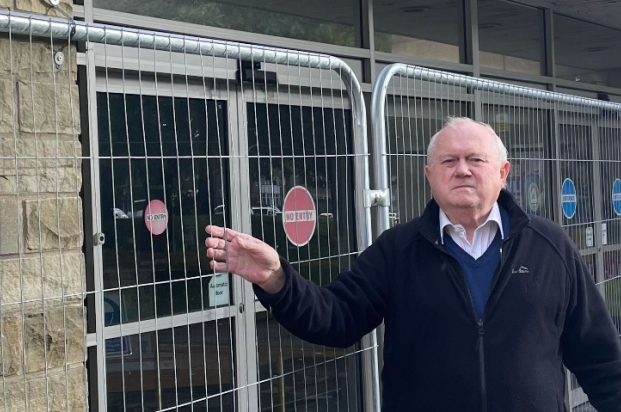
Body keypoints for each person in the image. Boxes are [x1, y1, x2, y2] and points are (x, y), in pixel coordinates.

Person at [204, 117, 621, 411]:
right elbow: (335, 319)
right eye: (448, 161)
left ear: (503, 172)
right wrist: (277, 279)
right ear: (429, 175)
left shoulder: (550, 247)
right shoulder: (398, 251)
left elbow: (600, 357)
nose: (462, 170)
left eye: (475, 160)